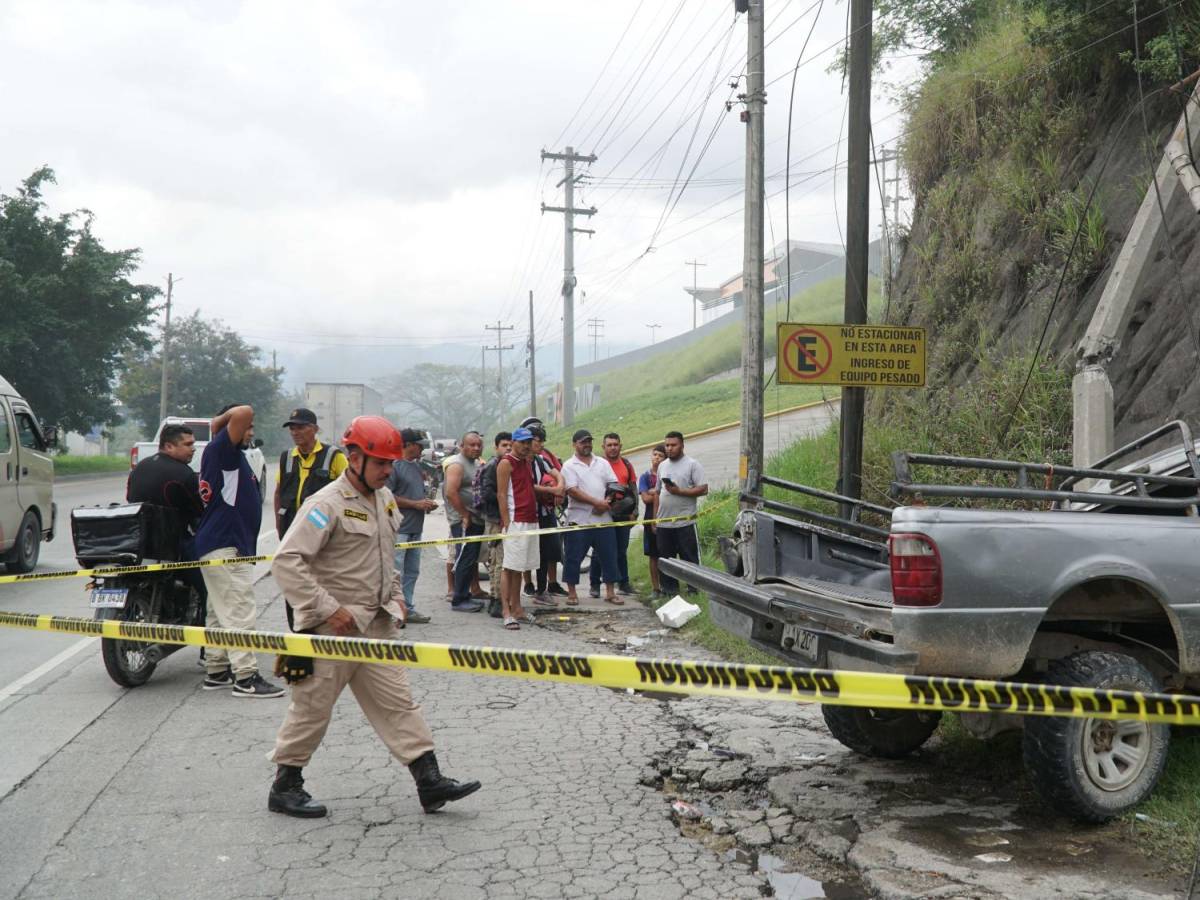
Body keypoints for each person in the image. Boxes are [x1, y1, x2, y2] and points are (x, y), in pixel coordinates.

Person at [268, 416, 481, 818]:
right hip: (332, 631)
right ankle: (285, 785)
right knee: (312, 709)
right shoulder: (326, 504)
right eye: (381, 463)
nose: (389, 470)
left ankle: (428, 780)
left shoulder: (383, 499)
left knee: (399, 703)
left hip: (378, 626)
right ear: (353, 458)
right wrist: (331, 610)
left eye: (391, 462)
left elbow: (387, 558)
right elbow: (287, 562)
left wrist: (398, 597)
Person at [194, 404, 284, 698]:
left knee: (219, 613)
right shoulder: (223, 450)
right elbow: (245, 410)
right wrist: (218, 422)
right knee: (239, 612)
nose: (252, 432)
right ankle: (246, 677)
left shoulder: (225, 454)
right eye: (248, 429)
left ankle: (217, 669)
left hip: (219, 544)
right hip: (226, 545)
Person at [126, 422, 206, 605]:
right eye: (187, 444)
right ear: (169, 446)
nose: (193, 449)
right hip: (171, 543)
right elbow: (199, 510)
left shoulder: (140, 468)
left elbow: (130, 498)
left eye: (193, 444)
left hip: (137, 541)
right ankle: (204, 624)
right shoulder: (184, 474)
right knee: (208, 583)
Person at [385, 429, 440, 624]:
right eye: (419, 445)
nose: (422, 448)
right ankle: (393, 611)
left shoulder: (418, 467)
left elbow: (416, 493)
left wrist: (425, 503)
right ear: (407, 445)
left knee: (412, 571)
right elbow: (387, 497)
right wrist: (415, 504)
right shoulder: (393, 467)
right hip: (399, 529)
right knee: (395, 572)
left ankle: (407, 607)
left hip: (416, 528)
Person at [560, 430, 620, 606]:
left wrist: (606, 502)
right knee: (573, 557)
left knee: (609, 556)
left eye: (588, 442)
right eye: (582, 442)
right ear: (574, 444)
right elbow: (572, 490)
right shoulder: (569, 466)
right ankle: (572, 594)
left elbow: (613, 484)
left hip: (604, 519)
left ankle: (610, 592)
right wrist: (596, 503)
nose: (586, 445)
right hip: (579, 520)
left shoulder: (602, 462)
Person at [274, 407, 346, 538]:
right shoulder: (287, 456)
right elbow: (278, 493)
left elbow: (349, 492)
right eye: (292, 429)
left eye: (300, 428)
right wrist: (278, 523)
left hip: (320, 528)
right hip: (290, 526)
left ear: (315, 429)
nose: (295, 433)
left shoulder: (334, 456)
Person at [496, 427, 540, 629]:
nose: (525, 446)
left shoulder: (527, 462)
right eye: (522, 442)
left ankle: (518, 608)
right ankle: (506, 610)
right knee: (509, 567)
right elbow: (502, 494)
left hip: (531, 519)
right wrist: (507, 522)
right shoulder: (506, 463)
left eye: (528, 442)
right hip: (516, 521)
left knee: (521, 567)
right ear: (513, 442)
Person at [656, 431, 708, 597]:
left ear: (682, 445)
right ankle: (669, 591)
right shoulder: (662, 465)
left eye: (673, 445)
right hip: (664, 522)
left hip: (685, 522)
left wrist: (680, 491)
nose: (669, 448)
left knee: (689, 557)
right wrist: (654, 519)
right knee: (666, 559)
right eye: (667, 445)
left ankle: (693, 589)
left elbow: (703, 489)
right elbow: (657, 492)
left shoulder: (693, 464)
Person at [590, 432, 637, 598]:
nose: (612, 448)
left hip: (623, 513)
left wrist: (634, 511)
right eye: (609, 445)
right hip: (603, 513)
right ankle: (594, 585)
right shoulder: (597, 465)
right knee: (599, 551)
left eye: (615, 444)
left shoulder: (626, 464)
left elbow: (633, 488)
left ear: (620, 446)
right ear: (603, 447)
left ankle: (624, 583)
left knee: (621, 550)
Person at [444, 431, 488, 609]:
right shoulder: (457, 464)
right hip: (463, 521)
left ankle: (466, 594)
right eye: (472, 445)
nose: (476, 448)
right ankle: (459, 599)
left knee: (471, 558)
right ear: (462, 446)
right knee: (463, 558)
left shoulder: (476, 463)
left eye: (478, 445)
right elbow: (450, 492)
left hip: (475, 518)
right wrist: (464, 514)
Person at [524, 421, 567, 603]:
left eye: (542, 441)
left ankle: (543, 590)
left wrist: (559, 488)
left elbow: (557, 473)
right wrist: (551, 491)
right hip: (527, 514)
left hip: (545, 512)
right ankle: (528, 588)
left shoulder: (541, 460)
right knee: (526, 555)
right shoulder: (520, 461)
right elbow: (527, 486)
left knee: (547, 552)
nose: (541, 444)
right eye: (537, 440)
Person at [475, 431, 512, 616]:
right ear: (496, 447)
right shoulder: (492, 466)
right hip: (494, 520)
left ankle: (502, 598)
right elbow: (487, 493)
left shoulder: (508, 464)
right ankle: (496, 599)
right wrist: (503, 499)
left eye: (510, 445)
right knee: (497, 561)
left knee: (504, 561)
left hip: (504, 518)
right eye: (504, 445)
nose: (508, 448)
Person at [638, 443, 668, 598]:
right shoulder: (645, 476)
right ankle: (656, 588)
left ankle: (668, 587)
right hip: (650, 518)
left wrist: (655, 492)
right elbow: (645, 498)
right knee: (653, 555)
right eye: (655, 454)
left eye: (661, 455)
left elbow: (667, 495)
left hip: (668, 517)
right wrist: (657, 493)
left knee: (667, 554)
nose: (657, 458)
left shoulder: (667, 475)